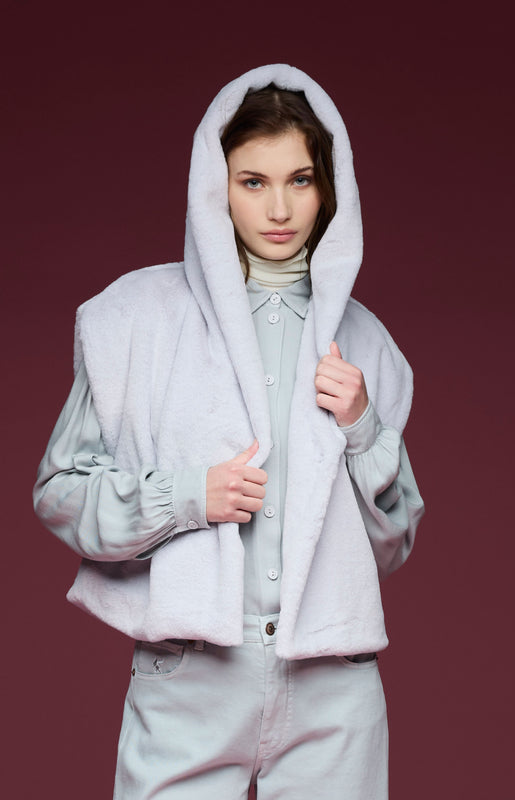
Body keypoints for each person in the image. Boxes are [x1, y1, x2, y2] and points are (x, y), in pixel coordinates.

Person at [34, 64, 425, 799]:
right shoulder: (134, 320)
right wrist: (187, 498)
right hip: (190, 676)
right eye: (252, 182)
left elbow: (393, 545)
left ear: (328, 189)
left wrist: (362, 426)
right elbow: (60, 493)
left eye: (299, 180)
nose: (278, 208)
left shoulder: (369, 345)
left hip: (333, 688)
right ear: (215, 187)